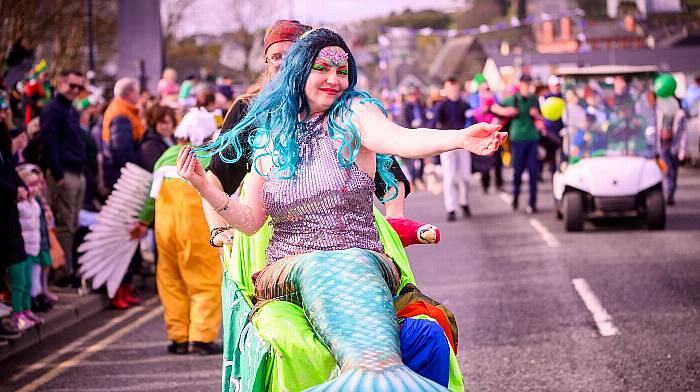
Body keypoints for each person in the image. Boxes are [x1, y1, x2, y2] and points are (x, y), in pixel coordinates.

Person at [178, 28, 505, 390]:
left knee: (420, 331)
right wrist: (204, 188)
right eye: (323, 68)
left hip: (363, 261)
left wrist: (459, 139)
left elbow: (400, 138)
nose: (334, 79)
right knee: (293, 331)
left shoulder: (355, 113)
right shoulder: (271, 134)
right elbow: (251, 222)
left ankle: (374, 372)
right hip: (287, 275)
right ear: (300, 70)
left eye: (343, 70)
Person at [133, 108, 223, 355]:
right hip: (198, 229)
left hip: (165, 230)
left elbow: (150, 199)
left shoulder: (165, 156)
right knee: (204, 281)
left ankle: (179, 338)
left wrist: (142, 223)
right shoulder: (210, 157)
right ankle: (201, 338)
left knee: (171, 280)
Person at [39, 69, 86, 283]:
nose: (75, 90)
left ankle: (67, 268)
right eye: (72, 86)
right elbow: (50, 142)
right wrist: (57, 173)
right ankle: (62, 273)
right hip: (63, 173)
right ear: (61, 84)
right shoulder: (53, 110)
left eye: (79, 87)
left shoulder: (71, 110)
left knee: (72, 225)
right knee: (65, 226)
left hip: (77, 172)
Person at [492, 74, 541, 214]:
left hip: (532, 138)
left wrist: (536, 115)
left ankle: (533, 202)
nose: (526, 86)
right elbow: (495, 107)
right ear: (520, 84)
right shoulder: (513, 99)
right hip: (518, 138)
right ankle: (516, 196)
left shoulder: (534, 99)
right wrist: (507, 111)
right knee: (518, 170)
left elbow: (541, 116)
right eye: (524, 83)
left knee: (533, 171)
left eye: (528, 83)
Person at [431, 77, 472, 221]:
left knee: (466, 177)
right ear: (446, 90)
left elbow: (472, 121)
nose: (453, 90)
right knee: (449, 177)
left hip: (464, 143)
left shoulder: (465, 105)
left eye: (455, 87)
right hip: (447, 145)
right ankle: (451, 208)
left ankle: (464, 201)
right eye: (450, 88)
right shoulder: (441, 106)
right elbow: (433, 124)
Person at [656, 96, 688, 206]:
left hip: (675, 147)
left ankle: (671, 193)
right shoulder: (659, 113)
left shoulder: (680, 115)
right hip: (663, 146)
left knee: (674, 173)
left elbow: (684, 133)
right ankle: (667, 193)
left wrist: (683, 151)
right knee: (666, 170)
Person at [139, 105, 176, 172]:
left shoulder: (174, 139)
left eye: (167, 122)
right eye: (161, 123)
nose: (164, 127)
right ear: (155, 124)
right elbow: (156, 170)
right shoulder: (149, 145)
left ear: (173, 123)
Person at [541, 75, 564, 178]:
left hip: (561, 130)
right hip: (549, 133)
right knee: (550, 157)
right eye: (555, 85)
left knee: (562, 157)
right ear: (550, 86)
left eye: (558, 85)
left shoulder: (563, 97)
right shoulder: (544, 98)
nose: (556, 87)